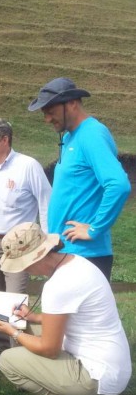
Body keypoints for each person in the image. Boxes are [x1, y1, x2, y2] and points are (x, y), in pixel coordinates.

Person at [0, 222, 131, 395]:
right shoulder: (78, 263)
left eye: (24, 265)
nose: (24, 270)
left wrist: (13, 332)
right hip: (111, 365)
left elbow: (49, 349)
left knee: (8, 360)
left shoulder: (58, 285)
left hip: (98, 377)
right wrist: (32, 318)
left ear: (36, 257)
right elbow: (72, 316)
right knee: (30, 326)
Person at [28, 77, 131, 281]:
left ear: (72, 103)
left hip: (86, 255)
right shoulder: (69, 137)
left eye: (51, 112)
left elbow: (118, 185)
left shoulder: (92, 134)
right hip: (68, 251)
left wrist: (94, 228)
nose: (47, 119)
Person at [0, 118, 51, 369]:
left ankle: (21, 359)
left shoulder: (27, 166)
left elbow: (45, 202)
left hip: (17, 246)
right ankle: (0, 353)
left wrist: (48, 242)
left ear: (4, 139)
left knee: (14, 300)